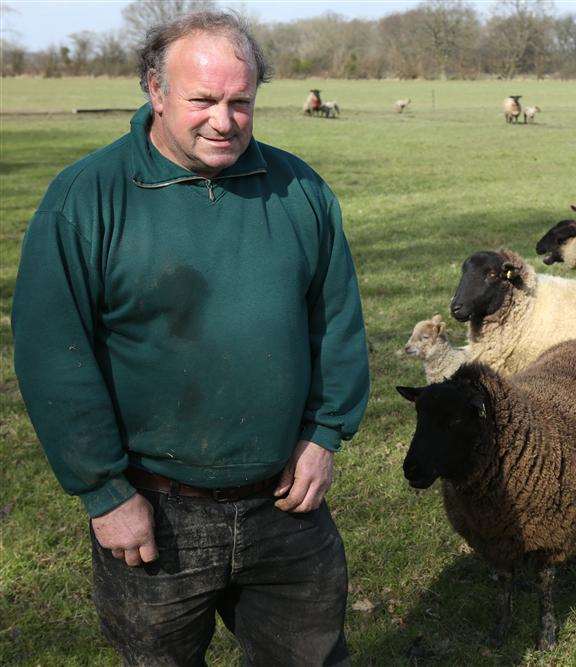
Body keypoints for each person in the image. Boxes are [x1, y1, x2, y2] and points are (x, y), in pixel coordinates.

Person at [12, 11, 369, 666]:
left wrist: (324, 435)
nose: (224, 121)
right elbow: (52, 355)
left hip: (286, 501)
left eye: (241, 102)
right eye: (203, 100)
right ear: (155, 90)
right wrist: (104, 491)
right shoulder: (85, 200)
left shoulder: (299, 191)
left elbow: (336, 319)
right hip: (153, 510)